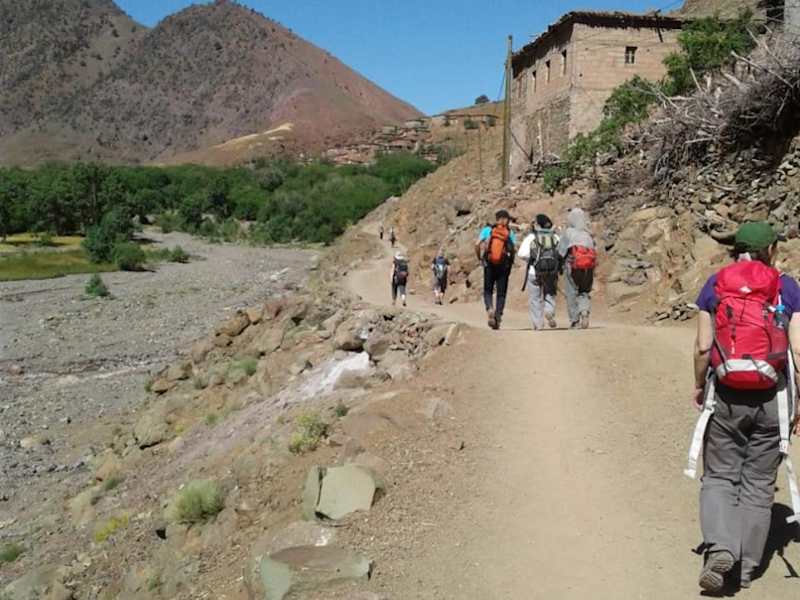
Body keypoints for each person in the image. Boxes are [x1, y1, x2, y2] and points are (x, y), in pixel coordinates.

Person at [689, 221, 800, 592]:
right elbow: (798, 349)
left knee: (720, 476)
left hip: (726, 395)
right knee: (758, 483)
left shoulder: (715, 284)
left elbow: (703, 346)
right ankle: (747, 567)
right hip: (774, 398)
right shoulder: (787, 287)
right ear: (771, 251)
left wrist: (699, 385)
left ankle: (722, 548)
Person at [475, 209, 516, 330]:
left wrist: (480, 257)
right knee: (501, 293)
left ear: (496, 219)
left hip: (489, 264)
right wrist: (510, 262)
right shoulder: (509, 232)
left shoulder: (488, 230)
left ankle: (490, 309)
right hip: (504, 266)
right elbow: (513, 249)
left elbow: (477, 244)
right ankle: (498, 316)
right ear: (507, 220)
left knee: (488, 290)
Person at [518, 214, 560, 330]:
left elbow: (521, 254)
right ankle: (549, 311)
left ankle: (538, 323)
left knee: (535, 298)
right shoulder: (555, 237)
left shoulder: (531, 237)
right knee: (549, 293)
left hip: (534, 271)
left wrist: (532, 259)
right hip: (551, 271)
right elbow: (560, 253)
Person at [557, 208, 596, 329]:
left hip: (572, 266)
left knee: (571, 292)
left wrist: (559, 266)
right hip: (588, 268)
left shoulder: (568, 232)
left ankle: (575, 321)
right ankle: (584, 311)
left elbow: (561, 251)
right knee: (584, 291)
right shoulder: (588, 234)